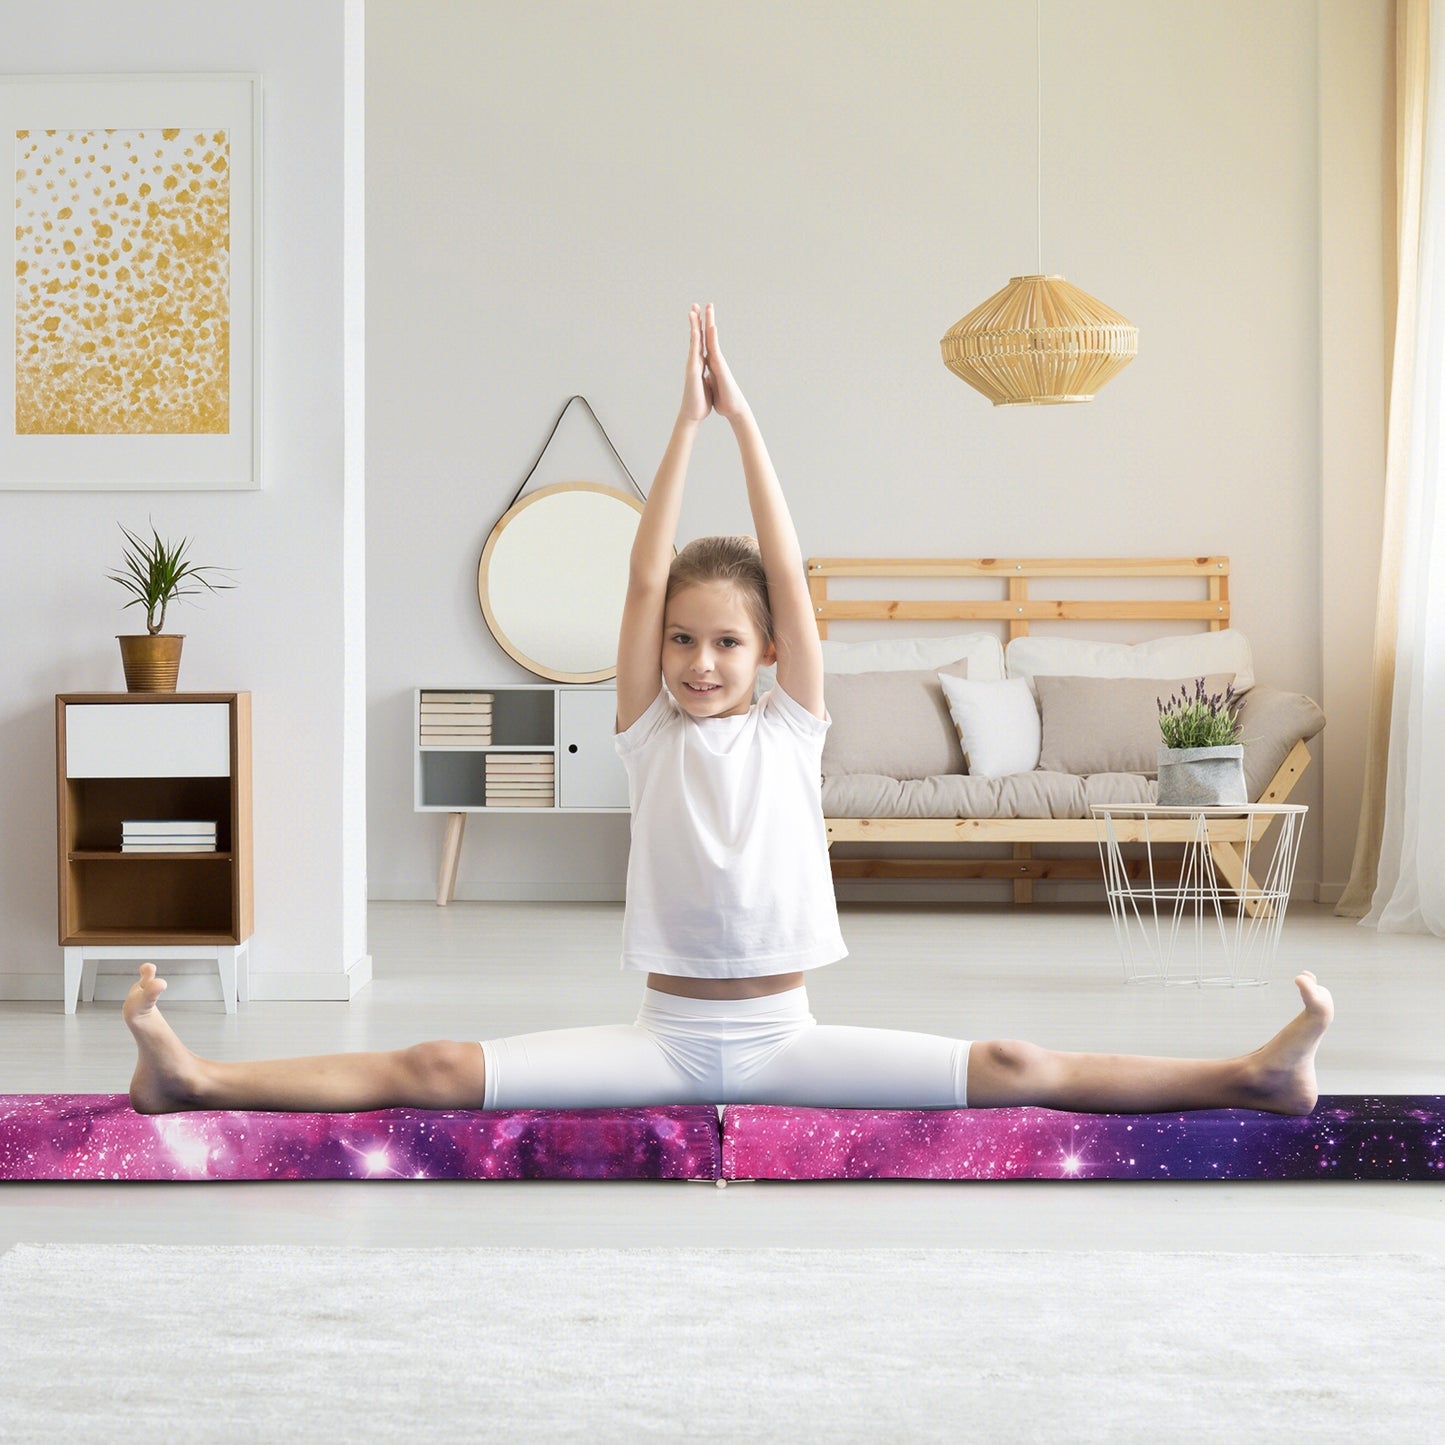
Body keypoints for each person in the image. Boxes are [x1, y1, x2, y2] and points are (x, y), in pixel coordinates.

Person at [123, 303, 1333, 1118]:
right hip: (656, 1039)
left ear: (769, 654)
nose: (699, 661)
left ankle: (1246, 1074)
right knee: (435, 1063)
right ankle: (196, 1078)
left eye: (725, 642)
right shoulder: (646, 733)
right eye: (681, 641)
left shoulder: (791, 726)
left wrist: (743, 425)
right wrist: (680, 429)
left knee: (1014, 1060)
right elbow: (641, 577)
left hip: (788, 1037)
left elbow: (787, 575)